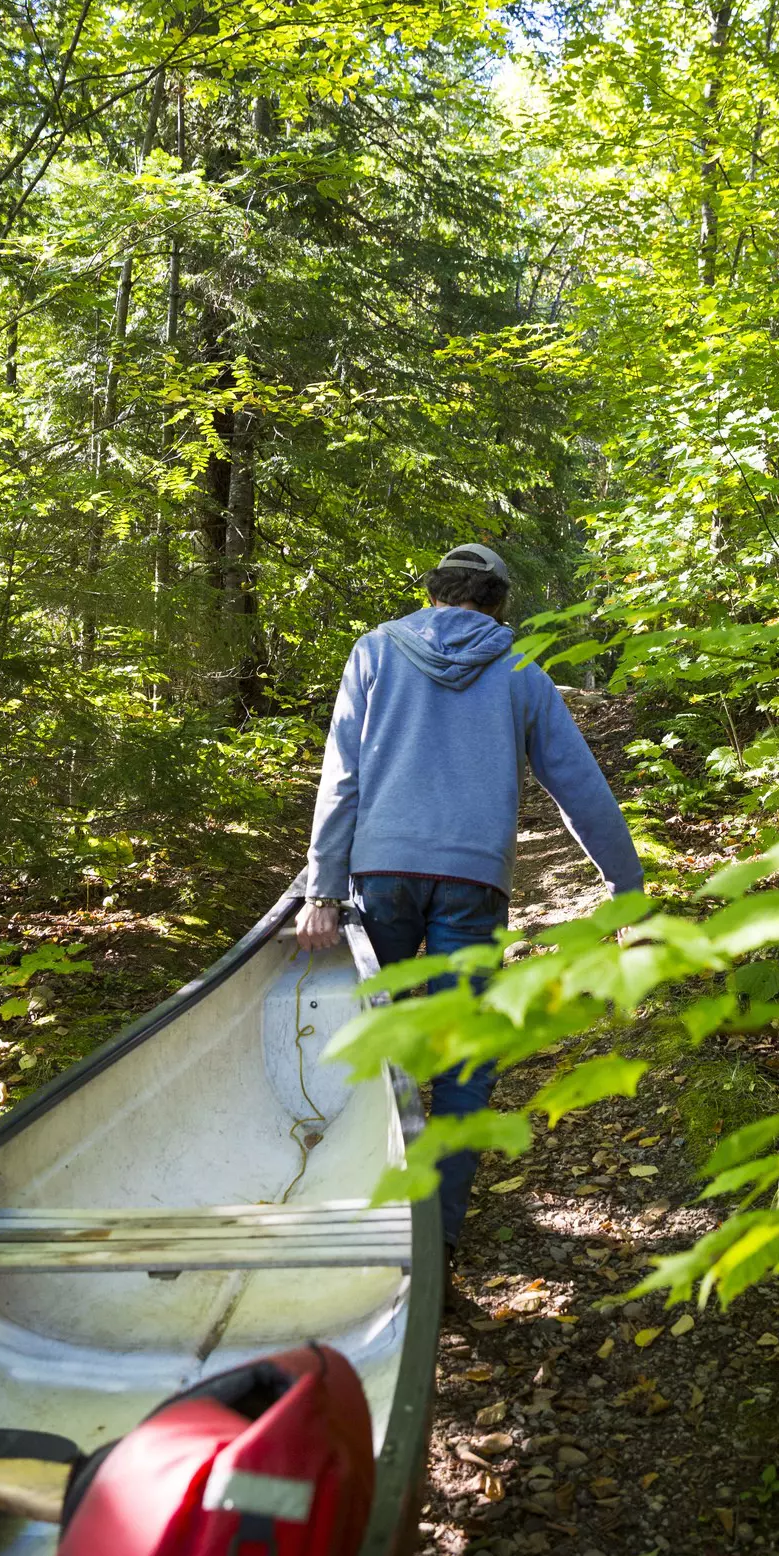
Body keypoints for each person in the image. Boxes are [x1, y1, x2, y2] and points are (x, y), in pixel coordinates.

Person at [296, 542, 642, 1266]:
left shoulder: (373, 651)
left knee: (366, 1036)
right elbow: (578, 785)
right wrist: (624, 887)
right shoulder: (519, 669)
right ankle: (436, 1236)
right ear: (496, 603)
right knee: (463, 1058)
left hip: (378, 872)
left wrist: (322, 887)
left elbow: (342, 775)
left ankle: (353, 1196)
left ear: (433, 593)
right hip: (473, 882)